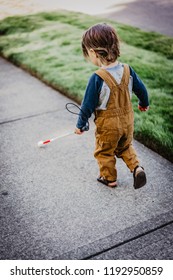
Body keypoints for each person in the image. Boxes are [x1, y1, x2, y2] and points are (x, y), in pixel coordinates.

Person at [75, 23, 149, 189]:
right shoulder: (128, 70)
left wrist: (81, 124)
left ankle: (109, 178)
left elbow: (87, 105)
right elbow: (142, 90)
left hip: (108, 126)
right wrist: (144, 104)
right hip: (127, 120)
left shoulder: (97, 77)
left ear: (93, 52)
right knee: (125, 146)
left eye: (88, 53)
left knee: (104, 151)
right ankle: (136, 168)